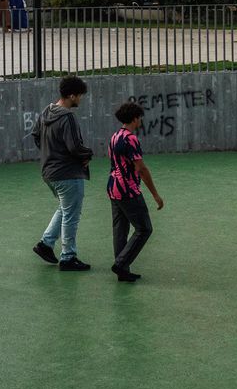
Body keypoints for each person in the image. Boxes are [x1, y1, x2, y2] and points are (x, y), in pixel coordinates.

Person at [31, 75, 93, 271]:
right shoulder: (67, 117)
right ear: (71, 95)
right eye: (80, 96)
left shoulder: (46, 112)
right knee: (71, 215)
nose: (80, 100)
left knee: (65, 209)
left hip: (49, 172)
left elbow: (35, 135)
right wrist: (88, 153)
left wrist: (50, 153)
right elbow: (75, 147)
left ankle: (46, 243)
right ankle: (68, 257)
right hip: (68, 173)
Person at [107, 101, 164, 283]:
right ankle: (121, 263)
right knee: (144, 228)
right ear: (134, 118)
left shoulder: (115, 136)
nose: (141, 120)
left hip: (113, 188)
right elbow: (141, 168)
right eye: (139, 117)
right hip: (128, 190)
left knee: (120, 230)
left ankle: (122, 269)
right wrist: (155, 194)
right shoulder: (131, 139)